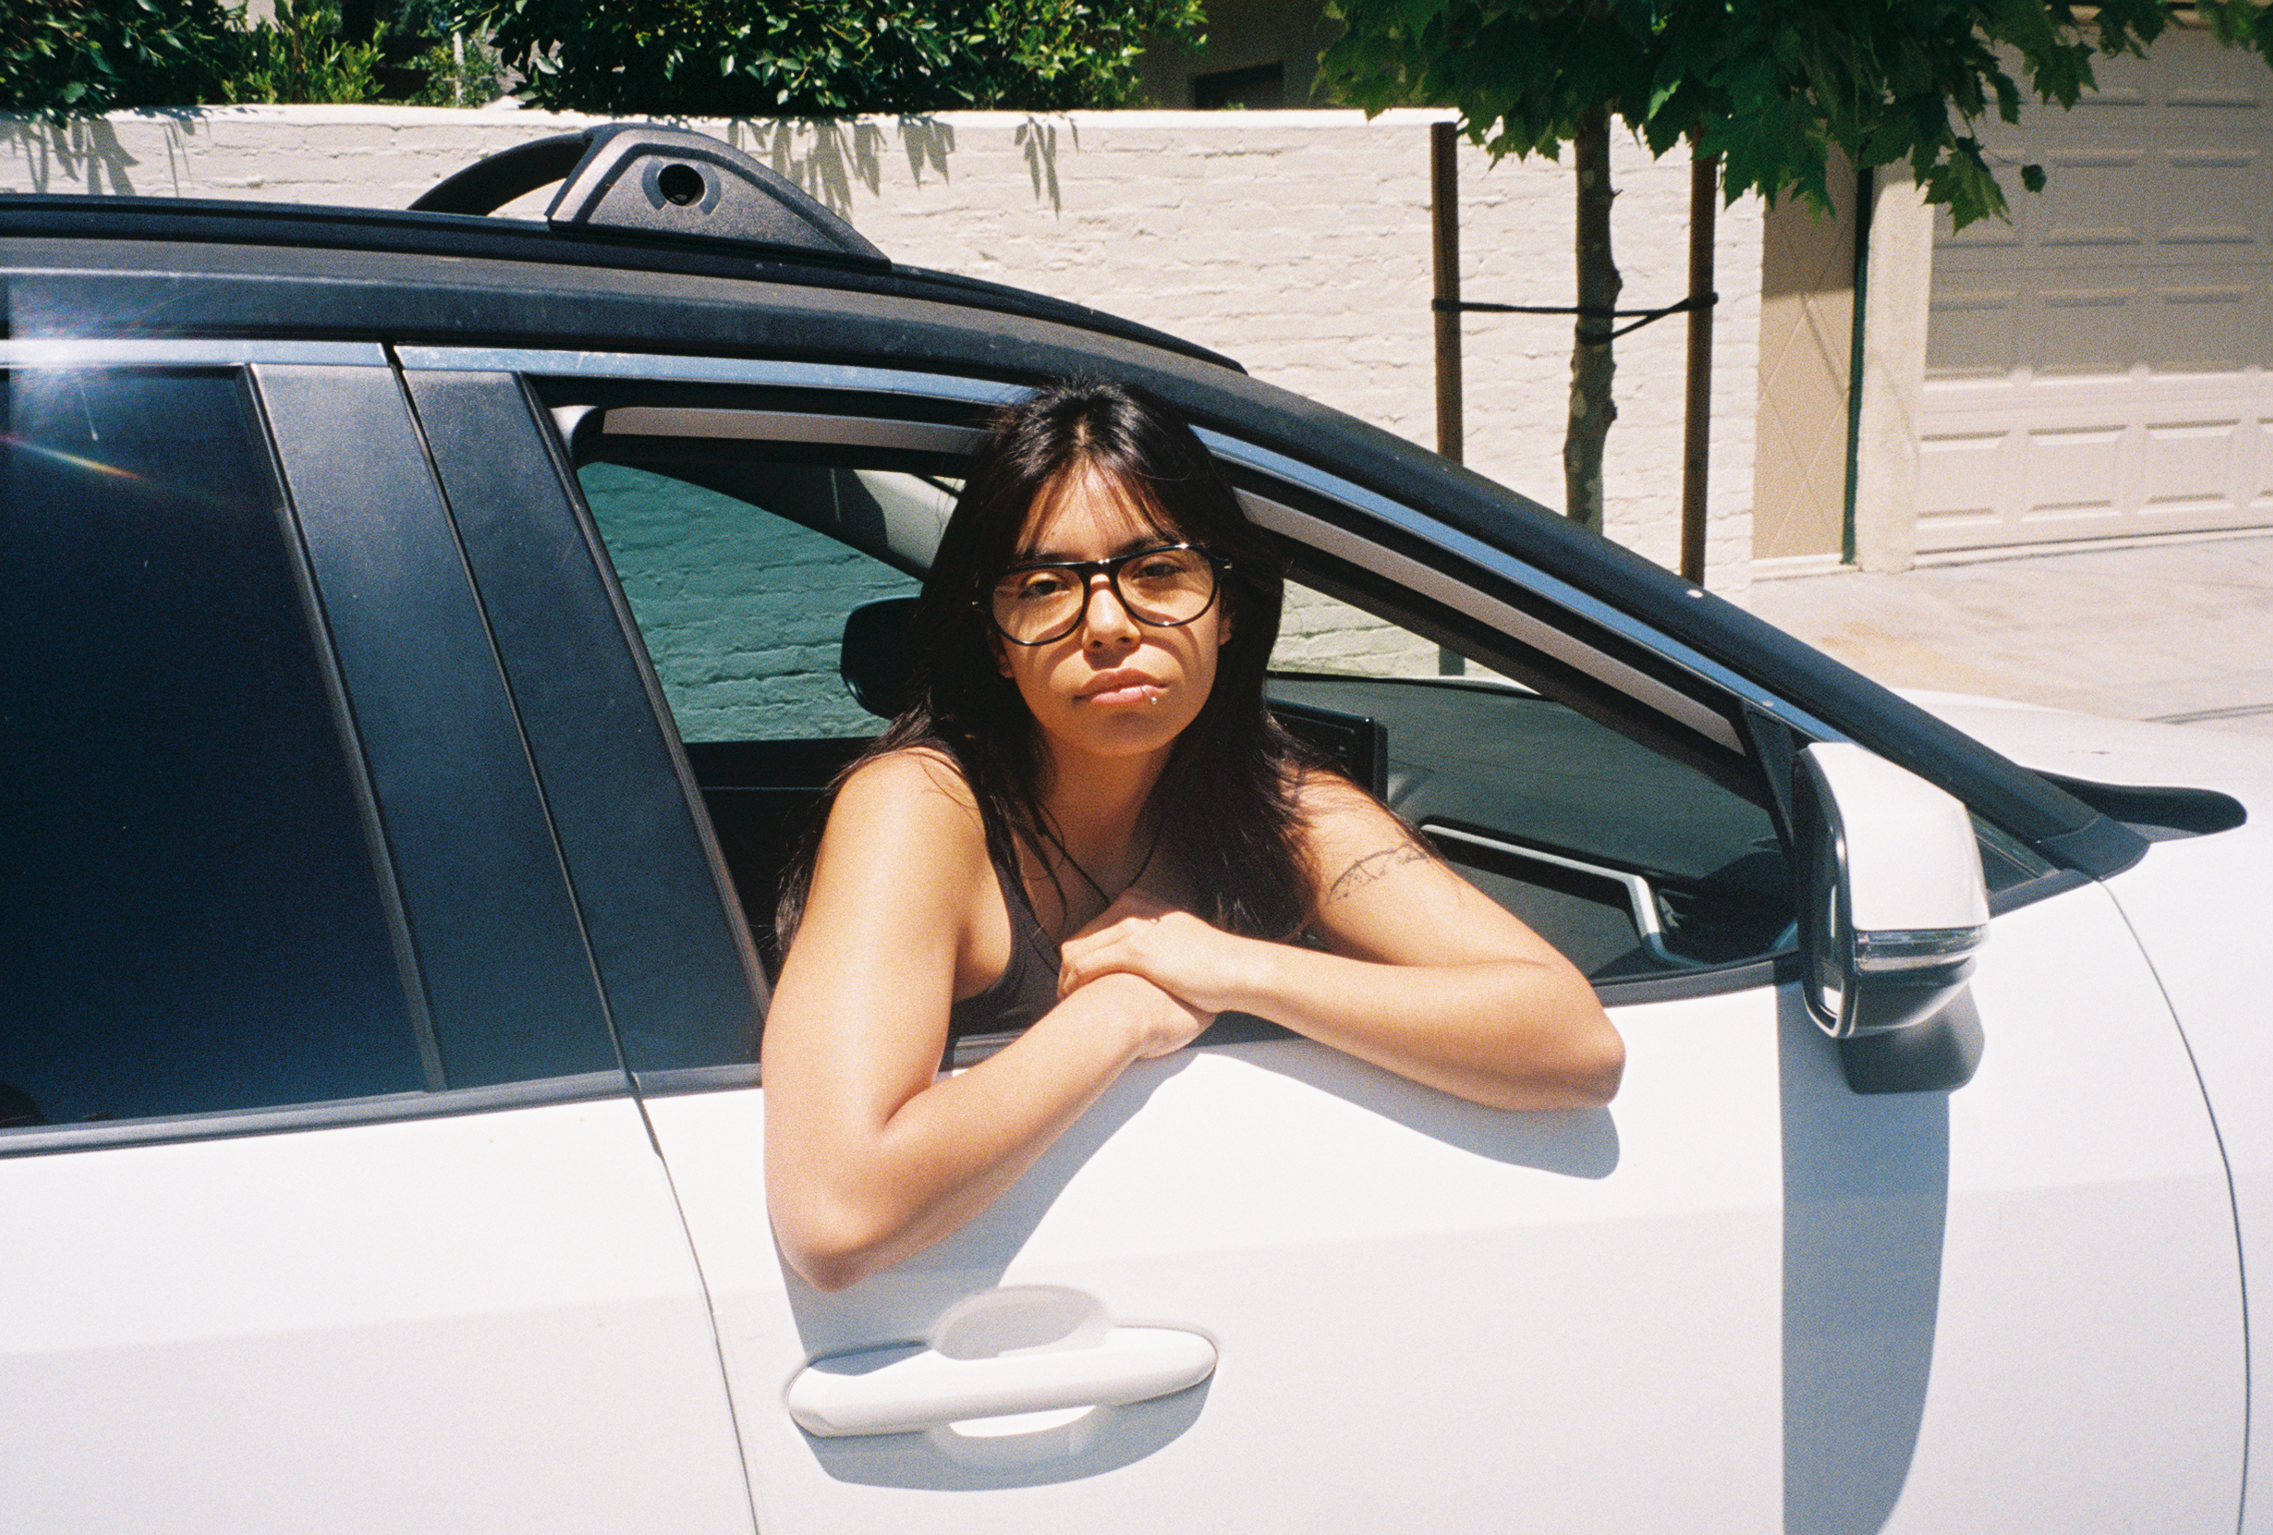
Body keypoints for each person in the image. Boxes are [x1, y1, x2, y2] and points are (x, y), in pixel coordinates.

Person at [762, 380, 1623, 1291]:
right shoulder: (921, 807)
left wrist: (1226, 965)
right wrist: (1122, 1009)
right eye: (1045, 587)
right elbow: (836, 1214)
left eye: (1158, 571)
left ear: (1228, 606)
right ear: (994, 636)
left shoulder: (1279, 802)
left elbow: (1573, 1043)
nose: (1104, 624)